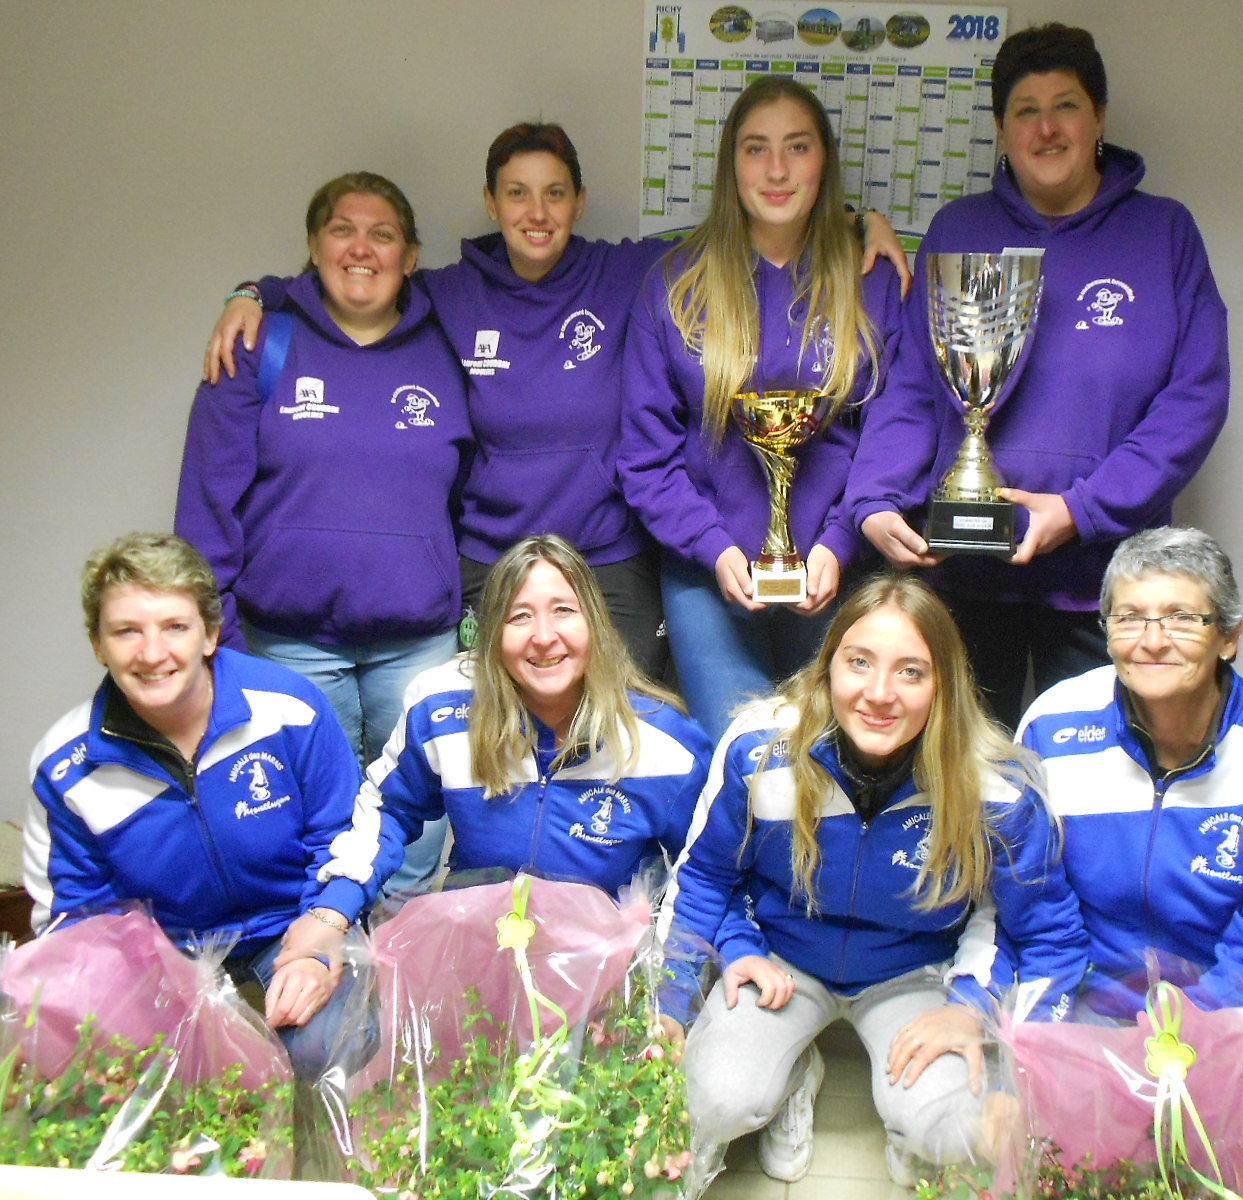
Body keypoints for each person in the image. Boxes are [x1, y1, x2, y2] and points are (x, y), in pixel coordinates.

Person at [203, 127, 912, 683]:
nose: (535, 213)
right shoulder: (448, 293)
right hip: (491, 560)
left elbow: (752, 225)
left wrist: (858, 222)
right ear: (490, 202)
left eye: (553, 193)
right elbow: (360, 279)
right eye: (516, 193)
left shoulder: (631, 271)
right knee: (500, 752)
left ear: (578, 199)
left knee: (625, 739)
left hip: (610, 559)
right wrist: (256, 291)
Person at [664, 573, 1086, 1186]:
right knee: (714, 1100)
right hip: (782, 962)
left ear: (944, 684)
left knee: (952, 1128)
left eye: (911, 672)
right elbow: (704, 878)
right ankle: (793, 1073)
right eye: (858, 662)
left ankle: (908, 1127)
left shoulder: (995, 790)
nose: (879, 693)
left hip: (915, 973)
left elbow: (1051, 938)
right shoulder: (760, 752)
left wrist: (977, 1011)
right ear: (827, 665)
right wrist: (678, 999)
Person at [875, 23, 1231, 730]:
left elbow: (1194, 400)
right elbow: (912, 389)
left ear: (1098, 117)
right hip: (965, 578)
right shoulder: (959, 229)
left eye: (1065, 105)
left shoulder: (1164, 234)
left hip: (1109, 583)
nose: (1046, 128)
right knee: (969, 789)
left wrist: (1081, 510)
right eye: (1024, 111)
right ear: (1001, 130)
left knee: (1093, 788)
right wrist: (876, 500)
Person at [175, 171, 472, 898]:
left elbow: (474, 487)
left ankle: (398, 966)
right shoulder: (256, 346)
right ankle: (330, 970)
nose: (361, 249)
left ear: (410, 254)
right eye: (343, 229)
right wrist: (224, 645)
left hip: (420, 641)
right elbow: (204, 508)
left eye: (383, 234)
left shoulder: (449, 344)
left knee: (420, 828)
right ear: (313, 246)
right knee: (314, 820)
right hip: (291, 644)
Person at [619, 75, 932, 738]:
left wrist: (841, 541)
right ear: (731, 163)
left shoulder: (872, 280)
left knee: (832, 767)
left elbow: (896, 424)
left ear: (825, 161)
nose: (778, 169)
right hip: (711, 577)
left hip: (836, 571)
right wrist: (713, 548)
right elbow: (646, 457)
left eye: (798, 147)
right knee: (742, 763)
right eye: (757, 149)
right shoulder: (675, 285)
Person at [22, 533, 368, 1080]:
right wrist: (131, 1003)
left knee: (331, 1044)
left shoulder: (288, 708)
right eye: (126, 631)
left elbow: (345, 836)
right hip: (164, 955)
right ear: (97, 645)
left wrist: (320, 940)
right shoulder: (67, 768)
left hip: (290, 924)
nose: (152, 653)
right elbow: (77, 918)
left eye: (174, 627)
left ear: (210, 633)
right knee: (145, 1081)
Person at [1017, 527, 1243, 1015]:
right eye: (1129, 618)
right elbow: (1030, 903)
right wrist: (1043, 1024)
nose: (1152, 642)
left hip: (1226, 1008)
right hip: (1082, 998)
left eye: (1182, 619)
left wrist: (1181, 1040)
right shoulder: (1050, 727)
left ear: (1229, 638)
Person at [311, 535, 712, 909]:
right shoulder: (442, 708)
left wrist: (672, 976)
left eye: (564, 611)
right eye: (519, 616)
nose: (543, 636)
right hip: (479, 946)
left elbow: (707, 872)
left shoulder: (665, 742)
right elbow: (388, 810)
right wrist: (333, 909)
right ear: (492, 637)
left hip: (609, 962)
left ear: (595, 625)